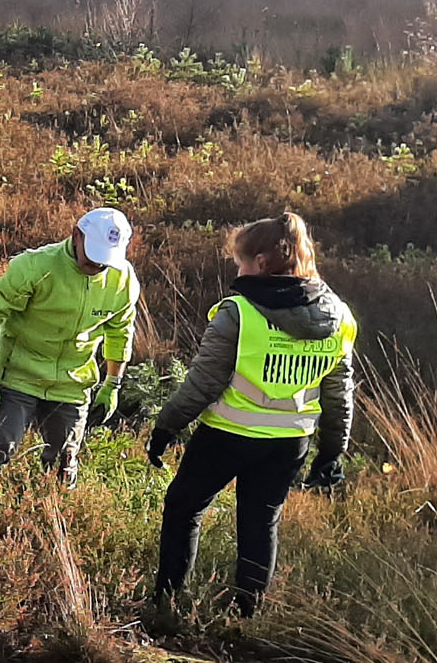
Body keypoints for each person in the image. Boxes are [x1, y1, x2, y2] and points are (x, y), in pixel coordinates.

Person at [148, 213, 356, 618]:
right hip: (290, 442)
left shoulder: (238, 313)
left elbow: (202, 384)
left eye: (241, 262)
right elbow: (338, 393)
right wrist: (332, 452)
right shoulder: (340, 317)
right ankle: (246, 617)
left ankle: (167, 606)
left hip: (228, 433)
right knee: (261, 523)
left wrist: (166, 426)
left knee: (184, 507)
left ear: (261, 263)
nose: (238, 270)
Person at [0, 208, 141, 488]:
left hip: (72, 382)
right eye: (93, 256)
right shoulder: (35, 266)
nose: (98, 266)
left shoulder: (123, 281)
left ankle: (52, 519)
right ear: (76, 235)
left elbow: (120, 332)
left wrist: (112, 385)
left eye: (105, 261)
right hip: (20, 373)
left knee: (63, 464)